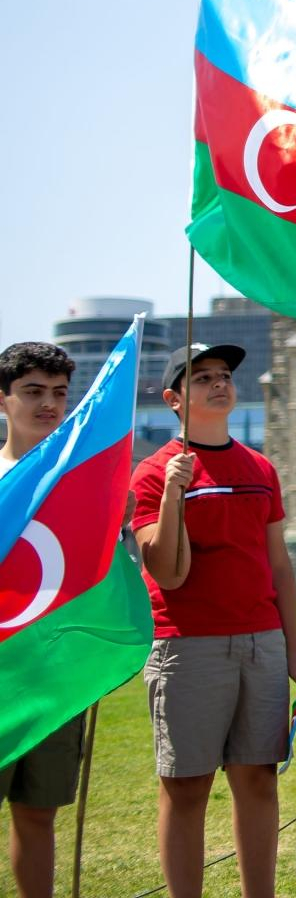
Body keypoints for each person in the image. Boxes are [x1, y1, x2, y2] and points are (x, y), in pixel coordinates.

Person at [131, 342, 296, 898]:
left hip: (262, 643)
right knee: (186, 786)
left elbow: (278, 566)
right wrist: (174, 494)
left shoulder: (261, 468)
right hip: (188, 647)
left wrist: (292, 649)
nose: (219, 383)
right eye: (202, 377)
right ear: (173, 400)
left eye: (224, 375)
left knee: (258, 780)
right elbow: (166, 571)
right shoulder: (152, 472)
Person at [0, 343, 82, 898]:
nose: (48, 404)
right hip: (2, 670)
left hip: (56, 675)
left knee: (38, 812)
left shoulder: (82, 482)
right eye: (32, 391)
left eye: (58, 393)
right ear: (3, 399)